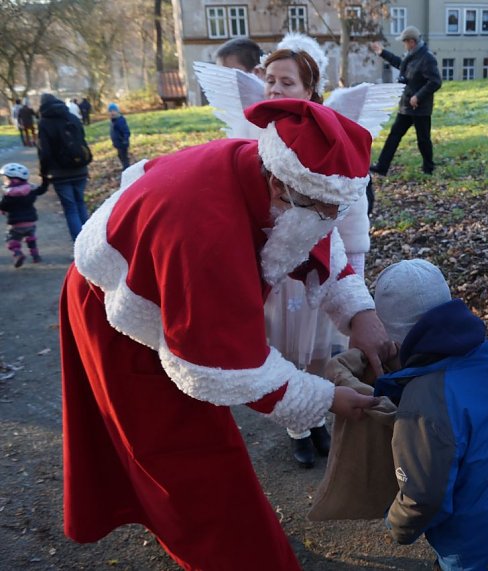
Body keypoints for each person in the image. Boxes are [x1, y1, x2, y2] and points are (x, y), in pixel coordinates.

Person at [60, 98, 395, 570]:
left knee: (184, 452)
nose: (328, 221)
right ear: (280, 186)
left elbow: (314, 229)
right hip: (118, 317)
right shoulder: (206, 235)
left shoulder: (283, 177)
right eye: (323, 209)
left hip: (171, 279)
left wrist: (359, 311)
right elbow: (221, 370)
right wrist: (325, 399)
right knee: (188, 457)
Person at [371, 259, 488, 571]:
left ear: (395, 337)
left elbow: (424, 496)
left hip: (480, 549)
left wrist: (396, 524)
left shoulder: (423, 402)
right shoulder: (485, 350)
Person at [259, 37, 375, 468]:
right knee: (284, 346)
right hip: (275, 272)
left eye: (286, 82)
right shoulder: (256, 135)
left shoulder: (330, 136)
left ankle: (319, 415)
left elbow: (350, 204)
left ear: (309, 89)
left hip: (322, 266)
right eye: (269, 80)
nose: (274, 89)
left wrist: (355, 267)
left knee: (318, 348)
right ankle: (297, 426)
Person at [369, 25, 441, 176]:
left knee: (423, 140)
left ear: (412, 42)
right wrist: (382, 52)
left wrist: (418, 96)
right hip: (406, 107)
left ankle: (429, 168)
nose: (404, 44)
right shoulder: (410, 55)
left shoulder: (427, 58)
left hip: (420, 108)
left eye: (405, 42)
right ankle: (382, 167)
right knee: (394, 136)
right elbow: (398, 63)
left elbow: (435, 81)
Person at [37, 93, 90, 241]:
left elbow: (44, 152)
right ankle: (91, 243)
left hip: (59, 173)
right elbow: (83, 141)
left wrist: (44, 174)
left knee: (70, 209)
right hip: (80, 169)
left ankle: (80, 245)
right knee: (81, 204)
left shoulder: (44, 123)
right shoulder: (71, 117)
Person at [1, 162, 47, 267]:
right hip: (30, 222)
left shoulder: (8, 195)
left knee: (11, 240)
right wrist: (45, 180)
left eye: (5, 178)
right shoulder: (30, 190)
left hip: (15, 223)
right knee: (31, 238)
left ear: (11, 179)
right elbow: (42, 190)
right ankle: (36, 256)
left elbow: (3, 206)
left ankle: (18, 253)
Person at [107, 102, 131, 170]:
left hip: (122, 143)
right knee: (120, 156)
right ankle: (125, 166)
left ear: (118, 111)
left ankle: (127, 168)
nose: (112, 113)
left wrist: (125, 139)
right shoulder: (113, 121)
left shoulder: (120, 121)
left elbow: (126, 131)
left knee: (124, 156)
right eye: (110, 111)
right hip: (118, 143)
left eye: (114, 111)